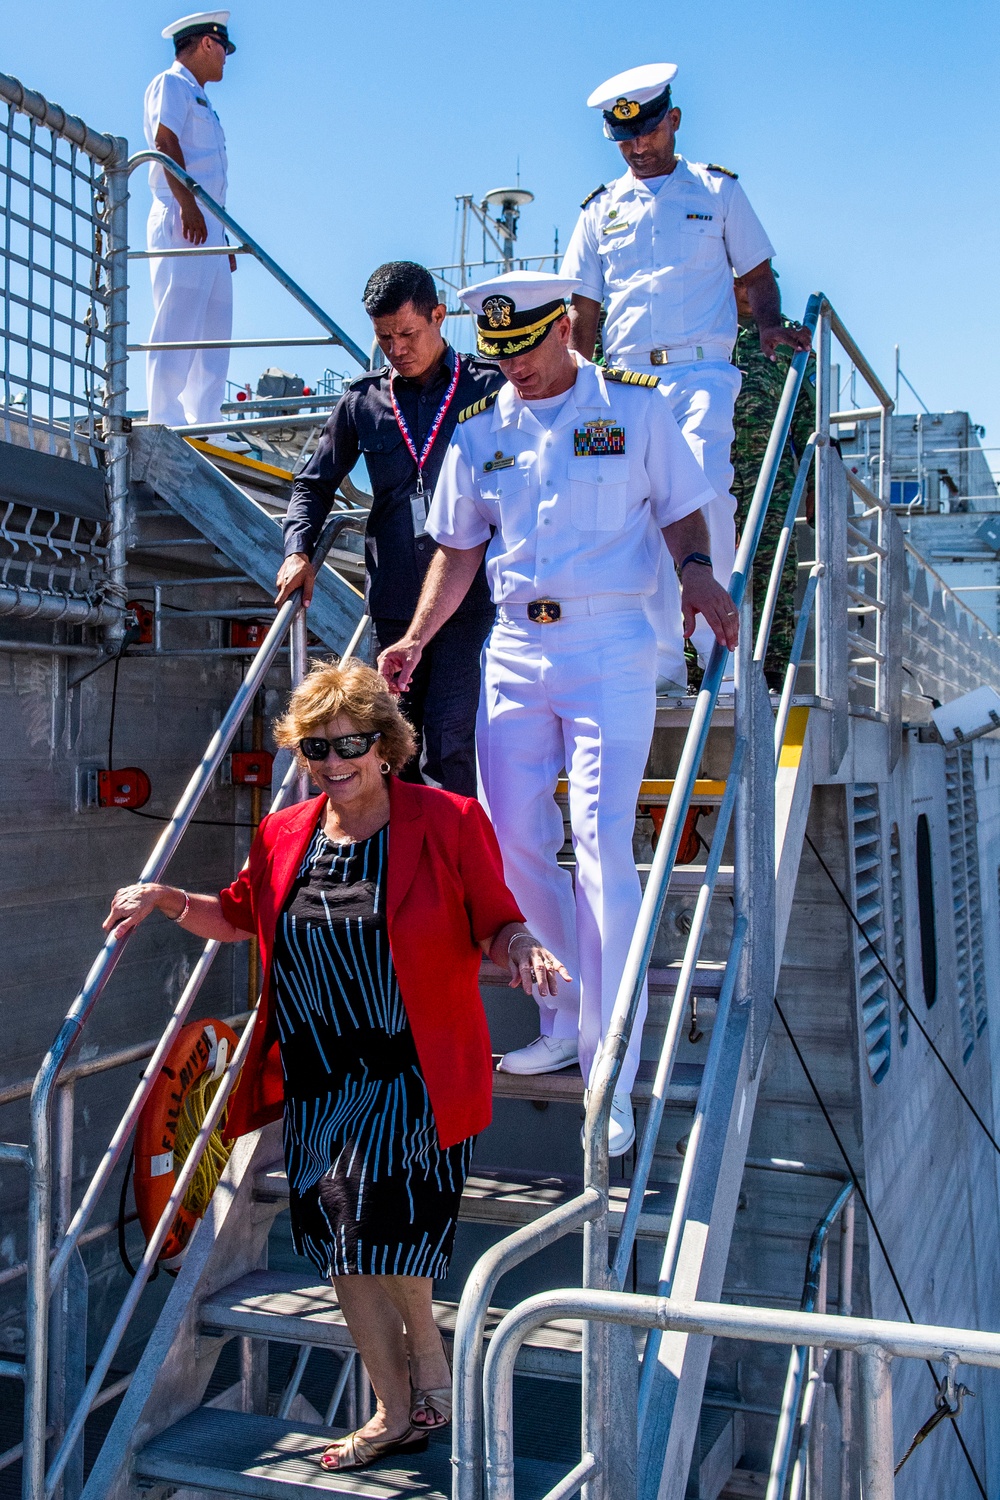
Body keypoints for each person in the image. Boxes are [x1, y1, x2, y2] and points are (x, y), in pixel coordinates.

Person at [104, 660, 568, 1472]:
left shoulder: (449, 819)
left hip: (413, 1069)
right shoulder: (285, 833)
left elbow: (496, 920)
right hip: (321, 1069)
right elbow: (240, 914)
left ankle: (428, 1363)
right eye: (318, 748)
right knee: (337, 1237)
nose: (335, 760)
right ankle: (401, 1406)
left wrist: (523, 946)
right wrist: (169, 901)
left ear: (384, 745)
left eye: (351, 742)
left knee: (384, 1225)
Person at [378, 271, 737, 1156]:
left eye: (528, 351)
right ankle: (564, 1008)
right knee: (512, 844)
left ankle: (609, 1053)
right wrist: (419, 638)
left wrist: (696, 574)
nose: (515, 371)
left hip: (609, 644)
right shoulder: (481, 430)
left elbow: (683, 515)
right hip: (514, 646)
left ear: (567, 328)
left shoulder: (640, 411)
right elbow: (459, 548)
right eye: (498, 355)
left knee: (604, 850)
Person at [561, 62, 811, 692]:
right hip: (622, 382)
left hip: (700, 371)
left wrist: (770, 325)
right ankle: (666, 662)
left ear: (672, 120)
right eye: (624, 140)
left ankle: (719, 657)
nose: (637, 147)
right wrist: (577, 383)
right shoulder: (599, 210)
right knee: (631, 510)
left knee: (706, 495)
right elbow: (582, 309)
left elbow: (757, 276)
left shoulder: (717, 191)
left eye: (647, 132)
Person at [277, 262, 501, 795]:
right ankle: (402, 866)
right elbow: (312, 483)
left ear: (439, 317)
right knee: (394, 746)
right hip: (395, 603)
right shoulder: (363, 401)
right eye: (384, 339)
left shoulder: (490, 387)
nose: (396, 349)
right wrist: (299, 551)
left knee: (451, 741)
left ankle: (455, 868)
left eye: (408, 334)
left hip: (471, 602)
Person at [143, 10, 239, 432]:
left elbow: (212, 174)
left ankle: (206, 421)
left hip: (208, 225)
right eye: (223, 49)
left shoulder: (203, 100)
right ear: (205, 43)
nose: (225, 58)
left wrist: (223, 232)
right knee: (179, 317)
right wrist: (188, 206)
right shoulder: (172, 84)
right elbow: (165, 141)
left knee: (215, 326)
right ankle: (165, 415)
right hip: (183, 217)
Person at [732, 275, 816, 689]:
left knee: (775, 576)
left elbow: (806, 416)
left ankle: (772, 674)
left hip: (772, 482)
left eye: (754, 285)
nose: (746, 293)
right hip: (718, 478)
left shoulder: (783, 338)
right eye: (738, 284)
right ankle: (695, 674)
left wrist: (814, 483)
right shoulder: (701, 327)